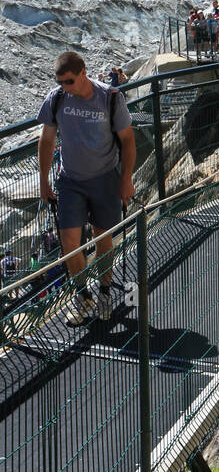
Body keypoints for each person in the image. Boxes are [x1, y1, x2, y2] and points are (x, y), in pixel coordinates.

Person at [37, 50, 136, 326]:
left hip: (105, 178)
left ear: (83, 73)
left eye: (68, 81)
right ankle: (83, 297)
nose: (63, 87)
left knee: (102, 237)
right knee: (70, 242)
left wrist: (126, 178)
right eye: (60, 82)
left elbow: (128, 140)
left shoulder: (110, 97)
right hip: (70, 180)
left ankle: (104, 292)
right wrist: (44, 181)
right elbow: (46, 140)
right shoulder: (56, 99)